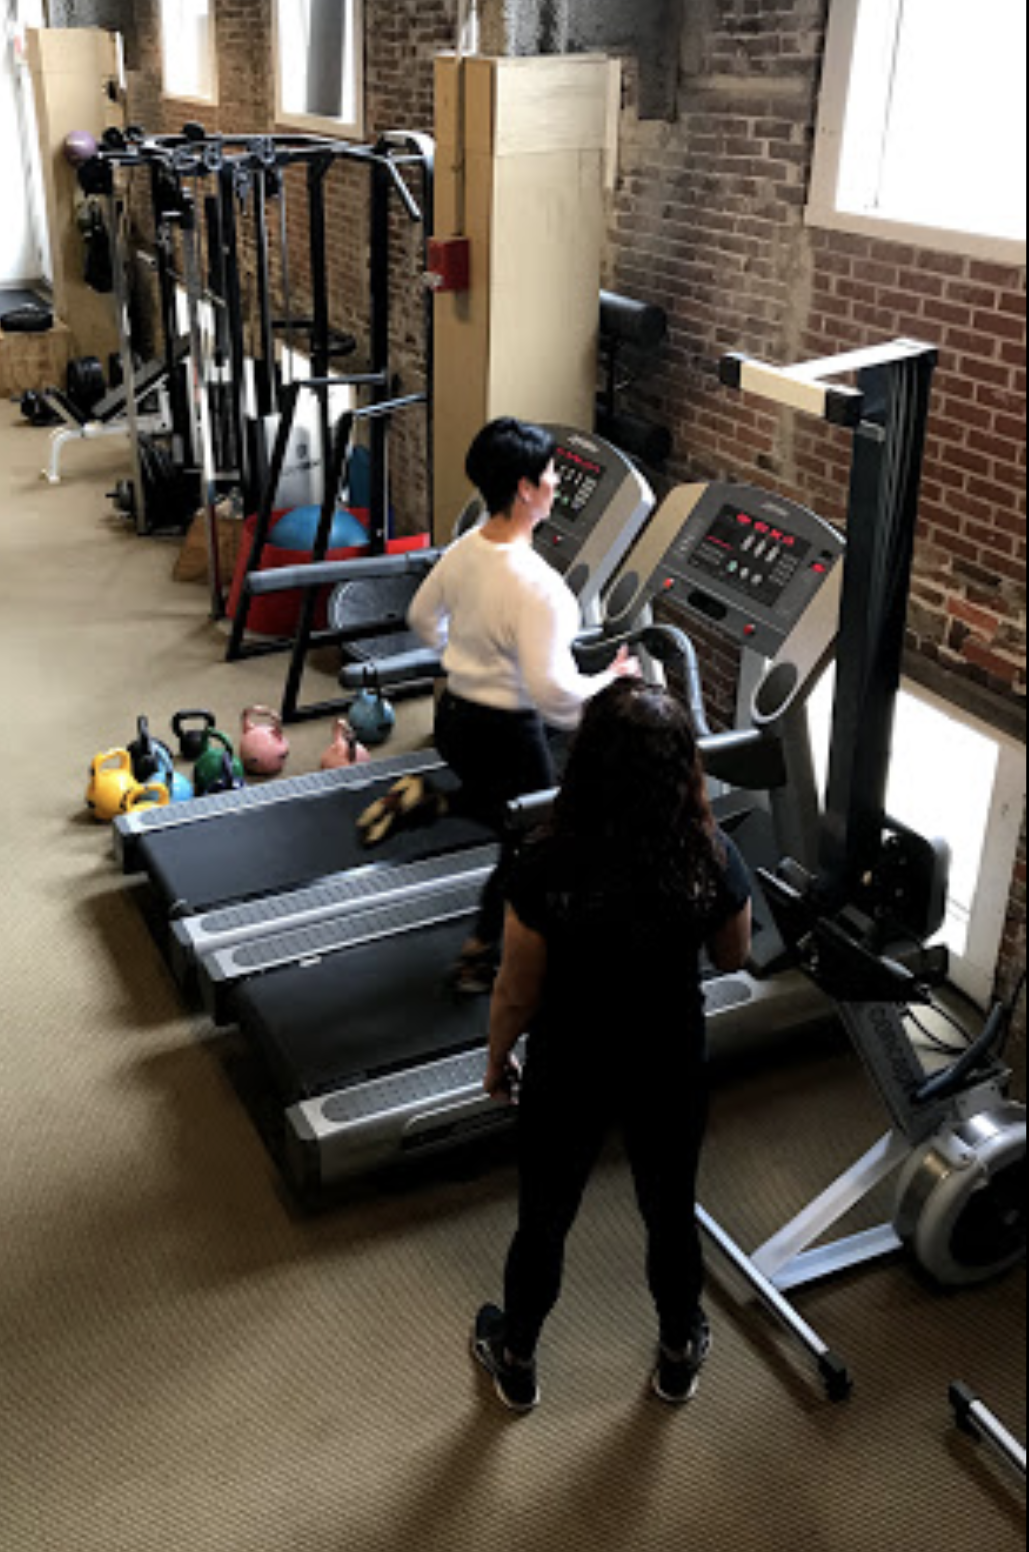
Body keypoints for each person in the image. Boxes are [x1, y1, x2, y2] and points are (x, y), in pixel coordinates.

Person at [471, 678, 752, 1413]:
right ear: (683, 766)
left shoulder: (544, 866)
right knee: (670, 1211)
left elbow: (517, 990)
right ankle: (679, 1352)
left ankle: (517, 1355)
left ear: (585, 762)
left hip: (571, 1065)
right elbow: (732, 957)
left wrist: (498, 1057)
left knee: (545, 1217)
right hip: (668, 1061)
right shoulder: (711, 856)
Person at [358, 417, 637, 996]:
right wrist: (608, 683)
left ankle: (427, 804)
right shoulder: (541, 588)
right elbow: (556, 700)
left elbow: (419, 617)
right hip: (506, 729)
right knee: (535, 841)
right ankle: (479, 956)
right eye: (551, 474)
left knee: (501, 809)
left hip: (455, 717)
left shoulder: (466, 548)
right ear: (526, 490)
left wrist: (464, 655)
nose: (558, 482)